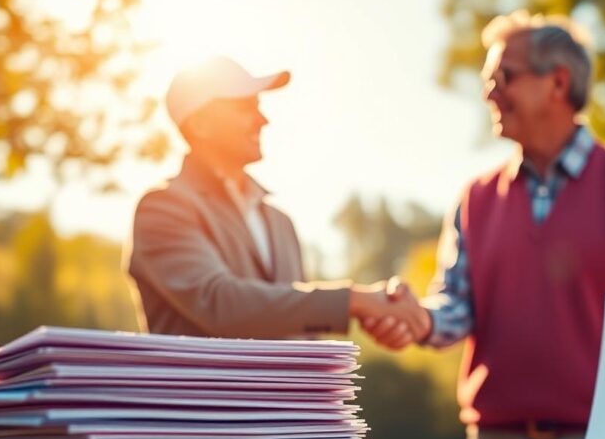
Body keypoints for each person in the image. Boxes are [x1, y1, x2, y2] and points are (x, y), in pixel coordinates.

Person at [366, 11, 605, 439]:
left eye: (504, 76)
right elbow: (457, 305)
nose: (489, 91)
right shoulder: (476, 198)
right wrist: (418, 320)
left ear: (558, 83)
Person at [127, 56, 428, 344]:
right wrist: (355, 301)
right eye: (245, 106)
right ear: (200, 124)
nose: (263, 120)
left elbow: (302, 332)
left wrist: (380, 314)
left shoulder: (280, 223)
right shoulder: (162, 208)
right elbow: (218, 303)